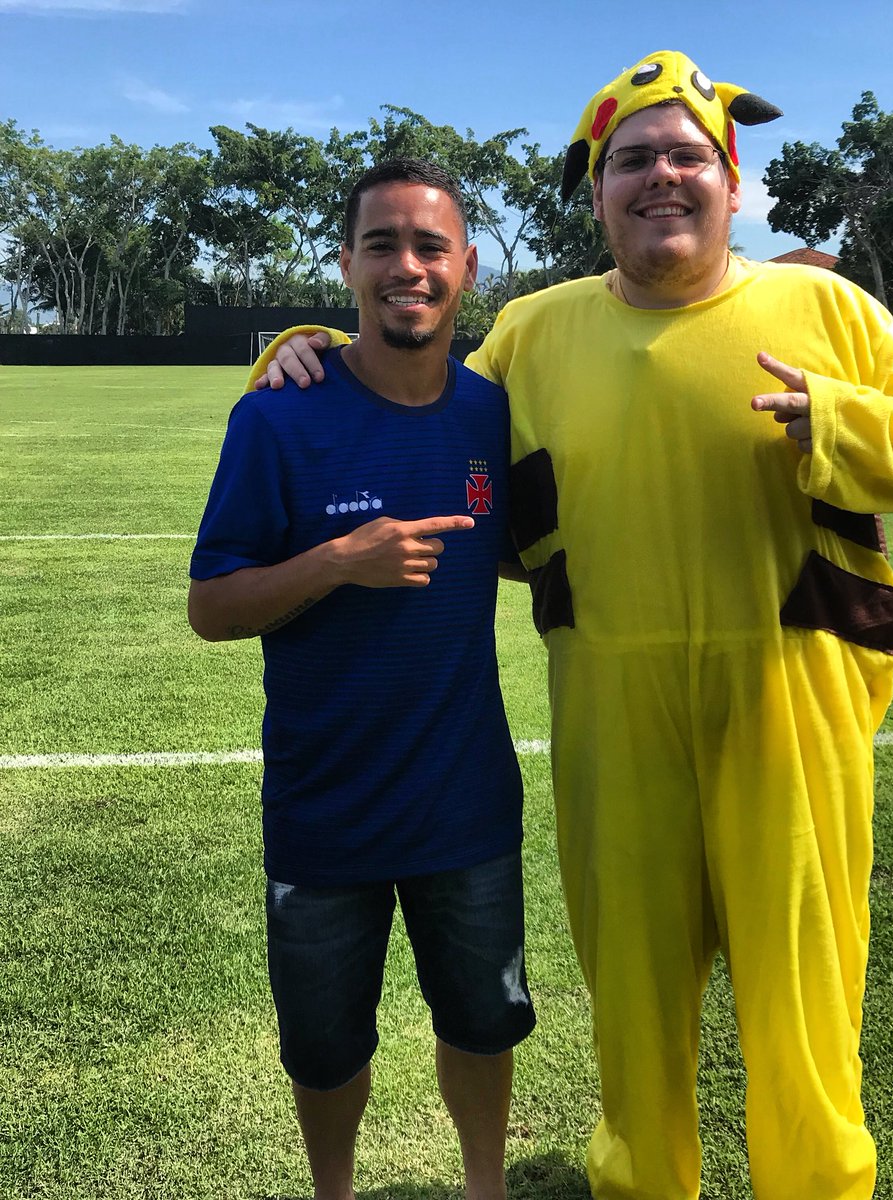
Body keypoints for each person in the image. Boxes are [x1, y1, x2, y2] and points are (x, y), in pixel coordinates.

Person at [254, 50, 893, 1200]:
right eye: (633, 159)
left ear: (732, 183)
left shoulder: (825, 308)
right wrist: (302, 351)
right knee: (633, 1003)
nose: (662, 176)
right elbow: (412, 401)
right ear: (597, 193)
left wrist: (839, 419)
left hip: (792, 705)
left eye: (687, 155)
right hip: (609, 707)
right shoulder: (534, 332)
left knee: (804, 999)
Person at [189, 157, 534, 1200]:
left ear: (467, 267)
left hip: (467, 805)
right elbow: (212, 607)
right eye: (381, 244)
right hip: (325, 808)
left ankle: (486, 1188)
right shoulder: (277, 417)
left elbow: (529, 549)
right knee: (326, 1048)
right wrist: (341, 561)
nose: (407, 267)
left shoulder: (492, 414)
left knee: (483, 1024)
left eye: (431, 246)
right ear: (346, 264)